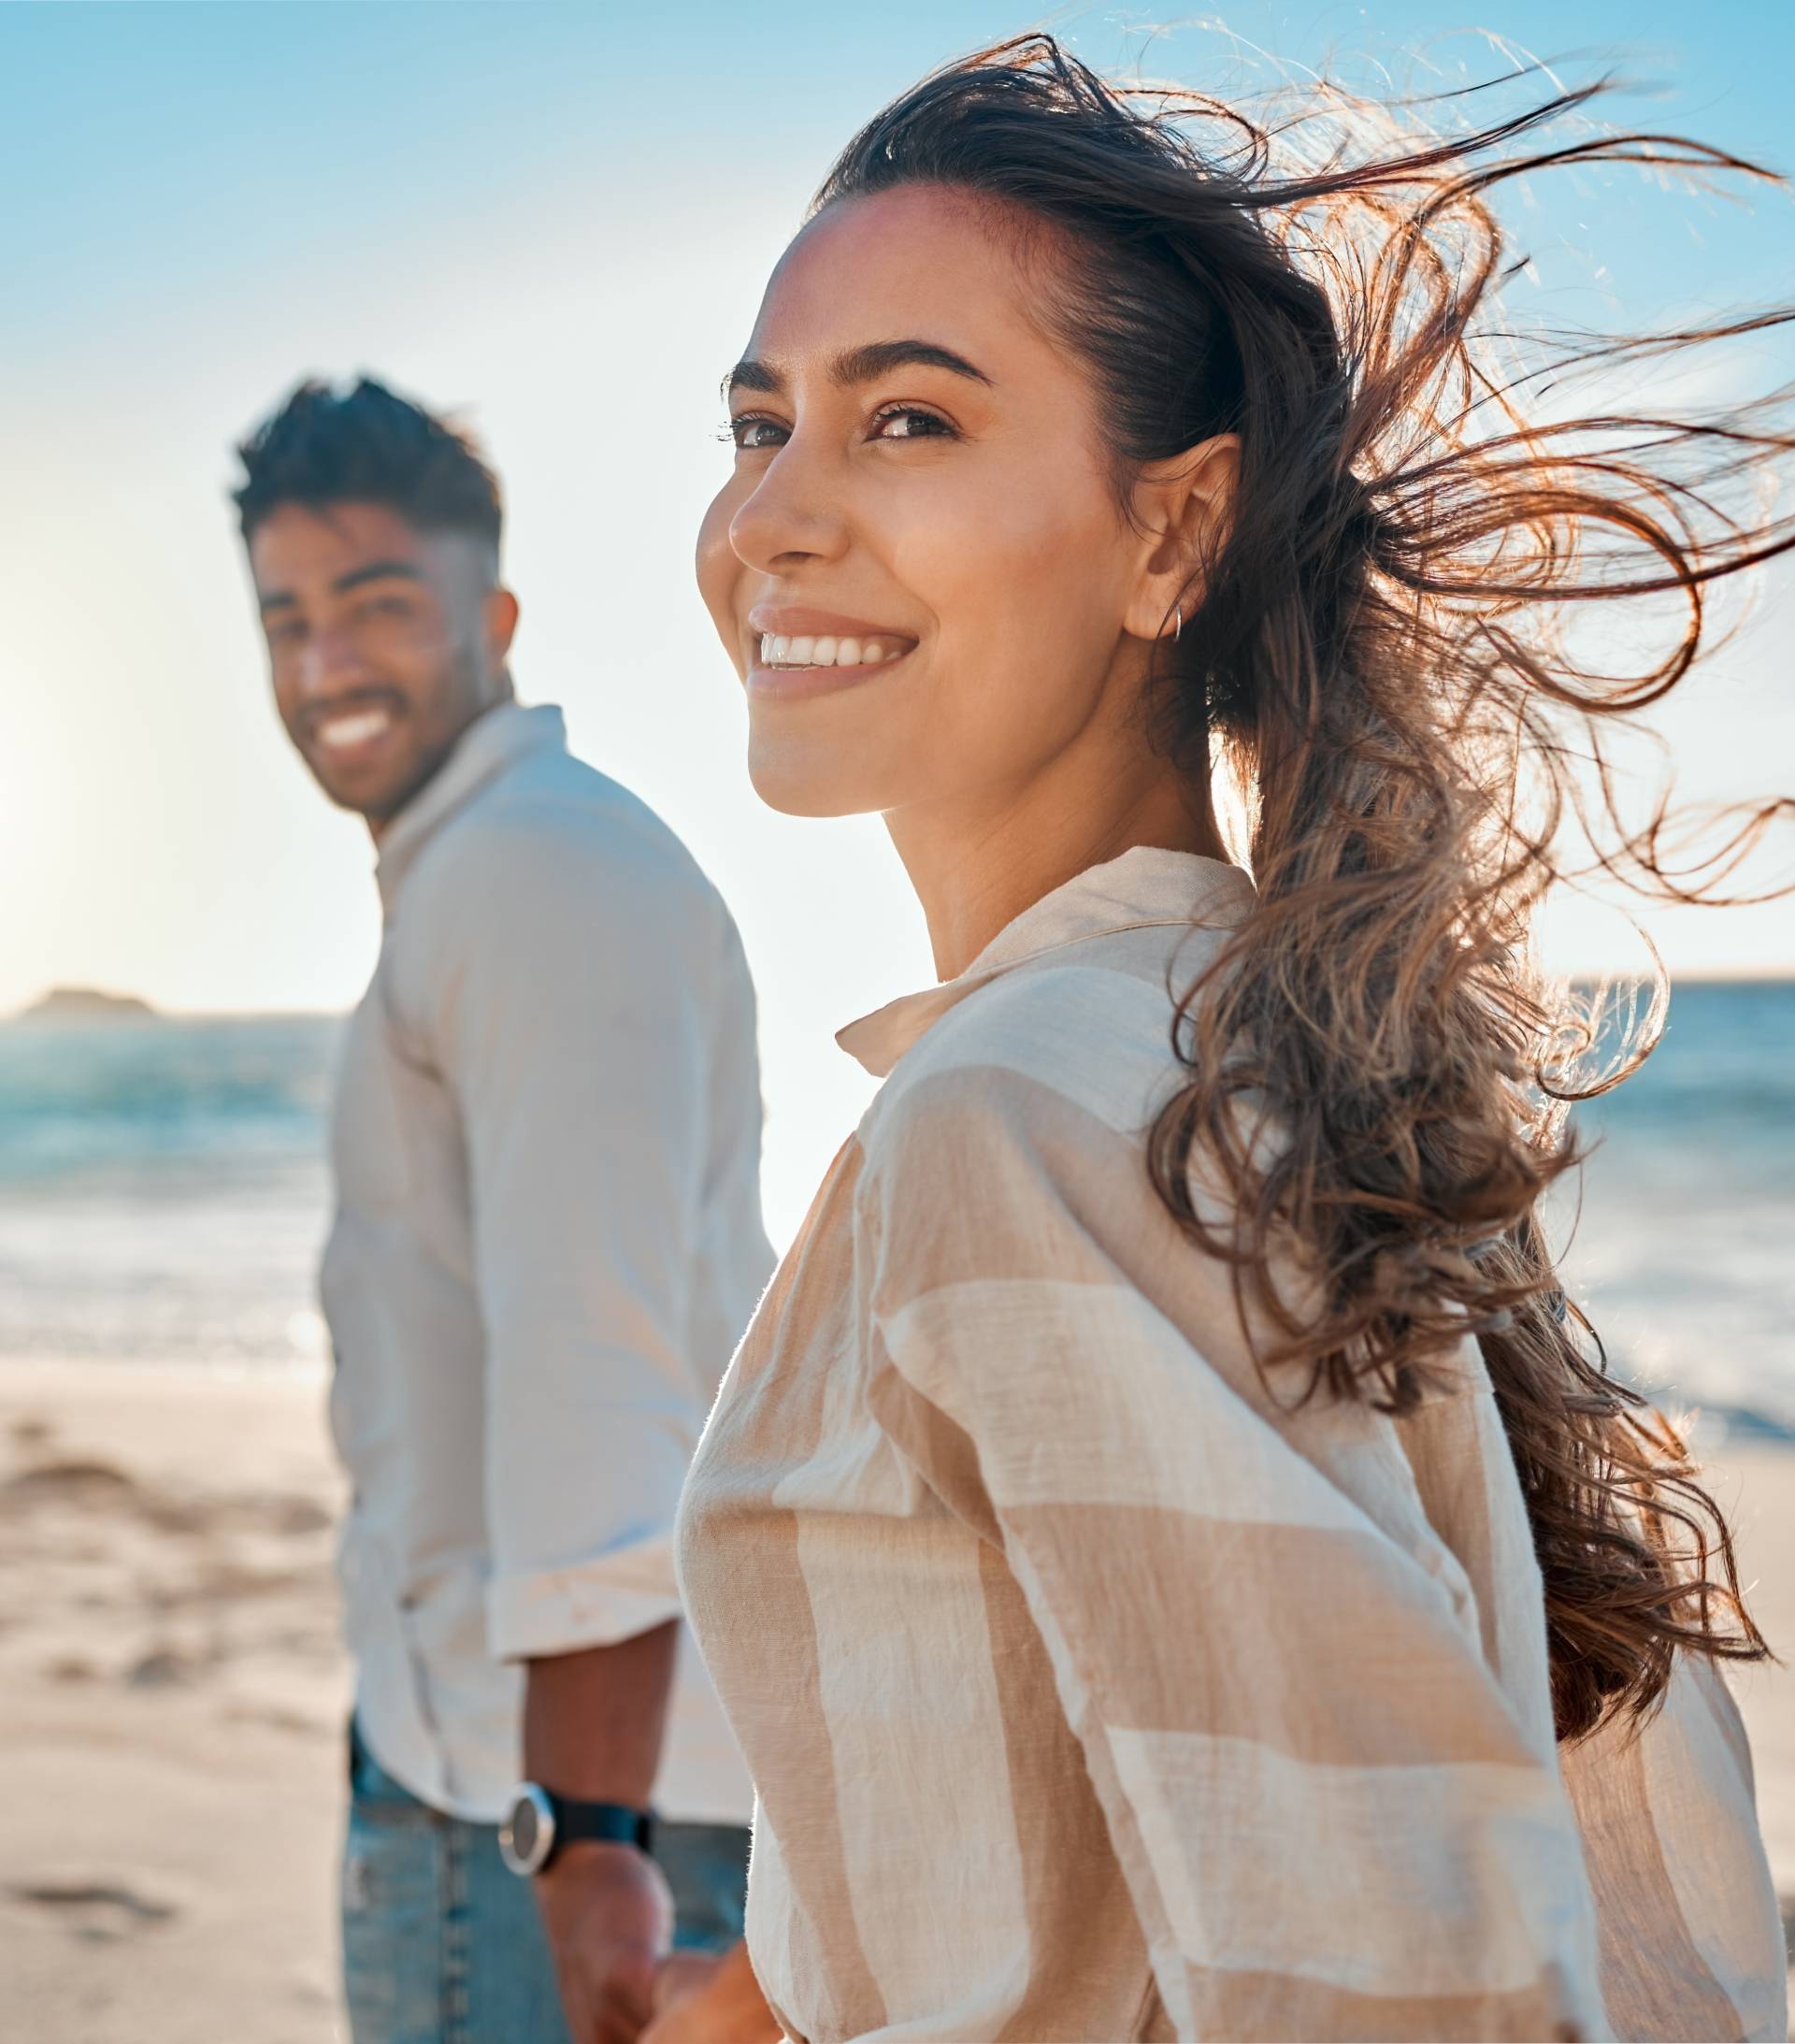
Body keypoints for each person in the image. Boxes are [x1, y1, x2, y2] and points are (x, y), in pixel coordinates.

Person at [672, 36, 1792, 2044]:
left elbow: (1393, 1977)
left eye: (905, 420)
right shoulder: (1237, 1046)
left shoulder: (1030, 1112)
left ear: (1175, 535)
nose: (769, 517)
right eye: (757, 425)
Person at [233, 377, 773, 2044]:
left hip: (544, 1813)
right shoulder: (490, 872)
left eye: (379, 605)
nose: (326, 665)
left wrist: (583, 1837)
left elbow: (592, 1374)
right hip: (493, 1769)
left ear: (498, 615)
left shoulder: (534, 873)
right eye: (287, 617)